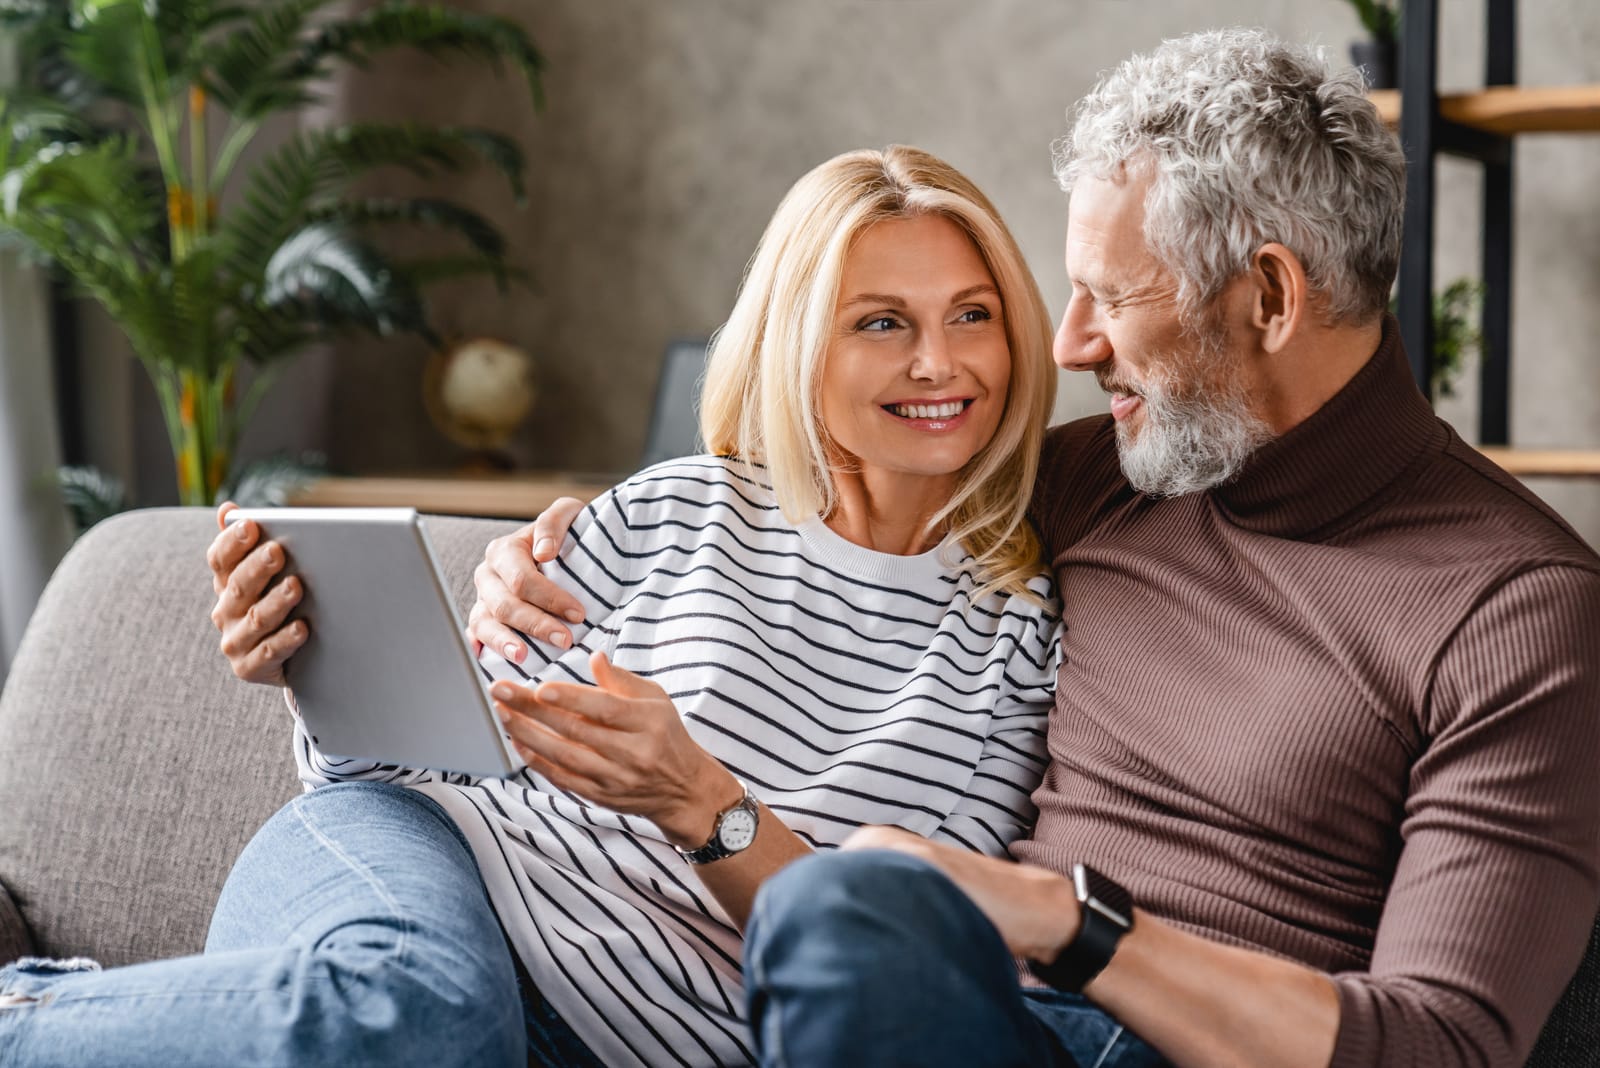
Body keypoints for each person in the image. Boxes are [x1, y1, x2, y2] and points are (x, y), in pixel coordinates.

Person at [476, 29, 1600, 1068]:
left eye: (1111, 297)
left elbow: (1448, 1044)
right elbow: (835, 470)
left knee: (840, 909)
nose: (1065, 346)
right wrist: (549, 553)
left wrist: (1071, 922)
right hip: (963, 1018)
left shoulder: (1517, 611)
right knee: (843, 917)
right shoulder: (1103, 477)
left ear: (1266, 294)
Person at [0, 146, 1063, 1068]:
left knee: (432, 1037)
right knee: (415, 1020)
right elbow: (423, 752)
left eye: (971, 315)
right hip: (421, 860)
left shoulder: (1017, 635)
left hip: (606, 1035)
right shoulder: (673, 509)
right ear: (797, 344)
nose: (940, 363)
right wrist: (316, 663)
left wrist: (705, 806)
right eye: (882, 322)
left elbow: (901, 956)